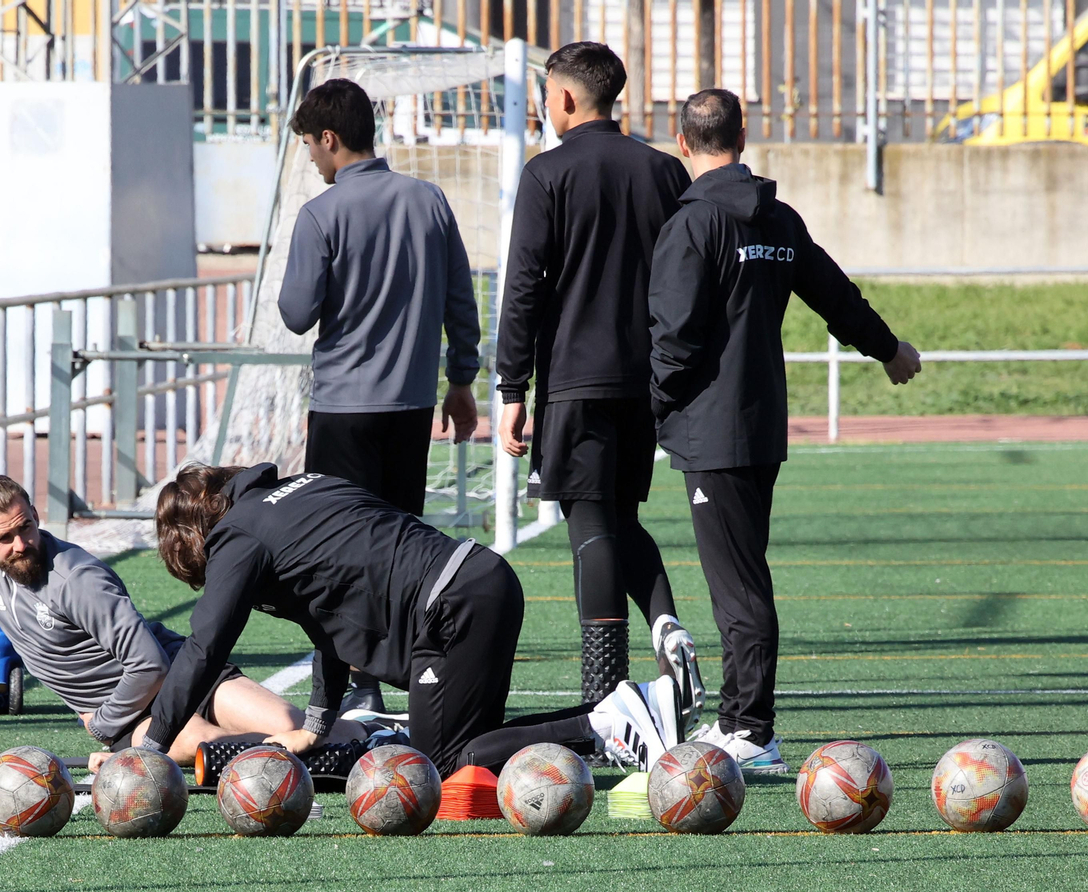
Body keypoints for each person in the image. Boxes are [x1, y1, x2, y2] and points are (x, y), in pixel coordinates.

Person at [648, 89, 922, 773]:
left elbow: (673, 341)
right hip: (760, 422)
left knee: (737, 585)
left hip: (714, 429)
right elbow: (835, 295)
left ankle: (750, 728)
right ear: (743, 135)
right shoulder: (776, 218)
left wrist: (649, 408)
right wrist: (889, 348)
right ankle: (742, 717)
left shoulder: (693, 225)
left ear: (683, 144)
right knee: (743, 575)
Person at [137, 463, 685, 782]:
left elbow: (204, 647)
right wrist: (318, 724)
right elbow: (325, 622)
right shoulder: (300, 488)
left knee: (441, 766)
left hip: (450, 610)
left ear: (196, 538)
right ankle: (625, 710)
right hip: (484, 577)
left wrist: (150, 746)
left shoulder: (239, 535)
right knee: (482, 750)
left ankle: (602, 725)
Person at [496, 42, 704, 730]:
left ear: (562, 99)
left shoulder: (546, 173)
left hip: (574, 382)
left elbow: (523, 284)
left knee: (588, 522)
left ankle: (606, 694)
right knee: (619, 516)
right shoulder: (664, 171)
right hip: (644, 379)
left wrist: (510, 386)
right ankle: (669, 627)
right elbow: (686, 279)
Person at [277, 77, 481, 715]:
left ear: (330, 139)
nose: (311, 158)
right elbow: (460, 302)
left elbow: (294, 312)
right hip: (412, 409)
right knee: (400, 548)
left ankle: (343, 690)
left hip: (341, 410)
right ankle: (409, 681)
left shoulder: (322, 213)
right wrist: (462, 380)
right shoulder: (429, 200)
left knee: (335, 555)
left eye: (311, 145)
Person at [0, 476, 367, 773]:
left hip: (175, 672)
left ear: (35, 513)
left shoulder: (78, 580)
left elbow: (148, 665)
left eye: (26, 528)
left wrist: (103, 723)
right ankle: (347, 751)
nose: (21, 544)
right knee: (207, 748)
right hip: (132, 714)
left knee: (293, 726)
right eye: (4, 539)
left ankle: (385, 734)